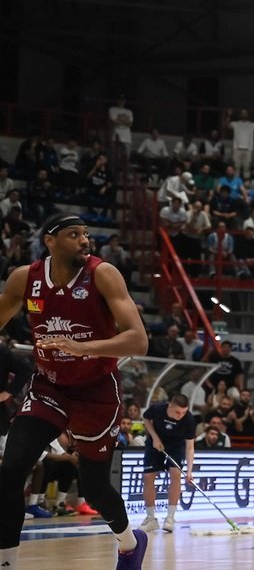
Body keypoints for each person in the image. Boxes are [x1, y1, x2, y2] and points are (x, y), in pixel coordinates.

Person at [0, 212, 150, 570]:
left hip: (96, 391)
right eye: (73, 234)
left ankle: (130, 544)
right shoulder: (25, 278)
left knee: (95, 488)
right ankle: (6, 563)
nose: (85, 240)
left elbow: (139, 340)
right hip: (49, 385)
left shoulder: (103, 274)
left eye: (86, 233)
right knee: (11, 469)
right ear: (50, 241)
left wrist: (84, 347)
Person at [138, 394, 195, 533]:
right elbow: (146, 419)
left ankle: (170, 517)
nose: (180, 415)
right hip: (155, 443)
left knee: (175, 473)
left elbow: (190, 447)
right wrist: (155, 437)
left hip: (176, 445)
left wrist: (189, 471)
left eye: (183, 412)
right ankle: (151, 519)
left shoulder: (189, 420)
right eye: (177, 412)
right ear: (170, 405)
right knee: (148, 477)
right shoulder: (157, 409)